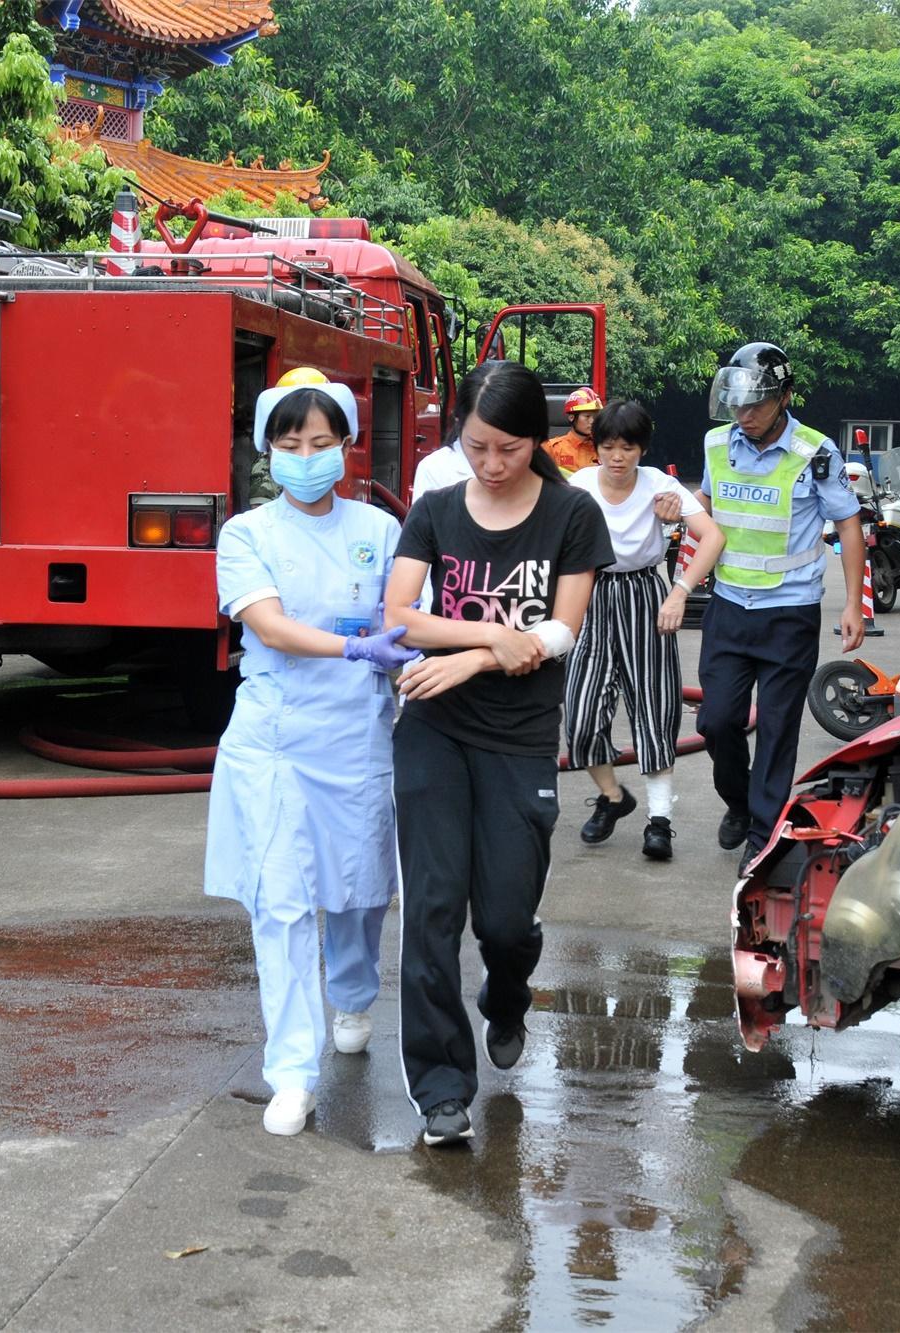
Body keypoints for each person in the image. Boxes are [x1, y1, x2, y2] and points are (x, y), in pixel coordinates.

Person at [385, 360, 613, 1147]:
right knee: (434, 909)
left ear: (534, 442)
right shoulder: (437, 510)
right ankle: (441, 1084)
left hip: (518, 737)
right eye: (476, 445)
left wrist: (481, 657)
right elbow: (400, 614)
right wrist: (489, 633)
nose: (490, 464)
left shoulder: (570, 513)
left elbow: (560, 632)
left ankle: (507, 993)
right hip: (432, 729)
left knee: (508, 918)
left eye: (508, 449)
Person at [204, 368, 418, 1138]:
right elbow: (271, 625)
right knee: (283, 903)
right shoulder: (246, 534)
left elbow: (410, 617)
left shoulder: (379, 531)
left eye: (321, 441)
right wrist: (357, 646)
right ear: (267, 450)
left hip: (359, 735)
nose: (305, 455)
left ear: (347, 447)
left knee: (359, 887)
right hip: (275, 738)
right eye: (290, 442)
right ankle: (290, 1072)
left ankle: (353, 993)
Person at [694, 342, 864, 869]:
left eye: (757, 405)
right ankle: (740, 804)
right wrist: (672, 510)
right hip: (726, 606)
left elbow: (849, 525)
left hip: (789, 612)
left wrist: (854, 604)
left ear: (786, 398)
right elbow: (705, 503)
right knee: (717, 722)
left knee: (776, 726)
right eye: (738, 404)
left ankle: (762, 835)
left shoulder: (816, 452)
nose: (745, 416)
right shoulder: (717, 443)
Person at [563, 399, 724, 861]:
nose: (617, 456)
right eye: (608, 446)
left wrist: (680, 590)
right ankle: (613, 797)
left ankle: (659, 821)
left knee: (655, 707)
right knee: (579, 715)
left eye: (628, 447)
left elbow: (711, 536)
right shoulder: (578, 486)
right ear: (596, 448)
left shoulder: (661, 486)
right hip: (590, 595)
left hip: (644, 596)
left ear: (642, 449)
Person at [544, 387, 603, 474]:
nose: (592, 421)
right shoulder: (553, 448)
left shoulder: (603, 447)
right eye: (587, 416)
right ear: (572, 417)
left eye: (595, 417)